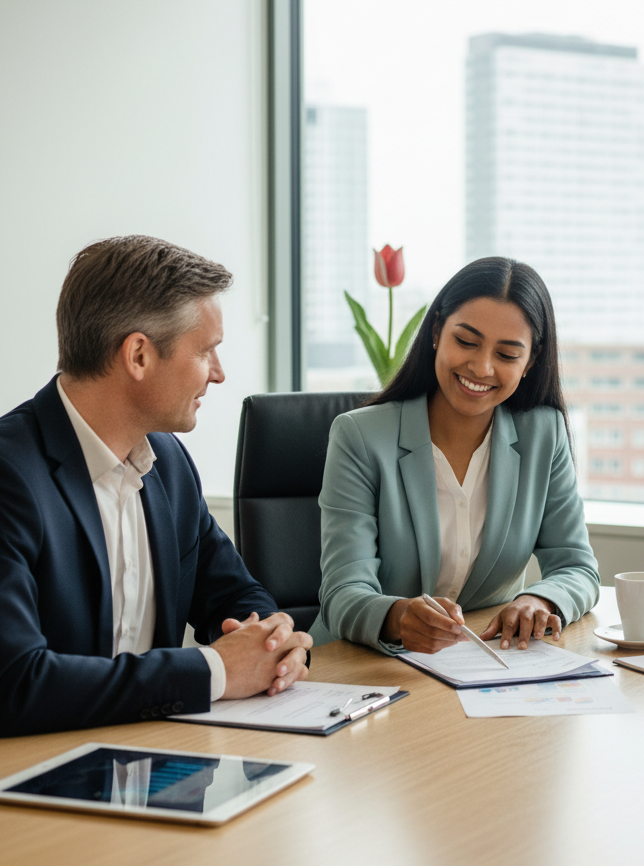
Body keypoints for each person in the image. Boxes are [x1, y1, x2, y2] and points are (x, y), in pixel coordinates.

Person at [0, 236, 312, 737]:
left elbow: (234, 593)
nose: (218, 373)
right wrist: (216, 670)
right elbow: (15, 680)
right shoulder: (11, 474)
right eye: (206, 351)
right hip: (40, 777)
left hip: (158, 759)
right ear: (139, 356)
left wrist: (274, 641)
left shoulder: (166, 460)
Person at [309, 256, 601, 655]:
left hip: (478, 664)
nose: (481, 367)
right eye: (466, 341)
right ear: (435, 332)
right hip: (362, 667)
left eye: (507, 354)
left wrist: (540, 601)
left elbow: (577, 567)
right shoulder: (360, 436)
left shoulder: (543, 434)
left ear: (530, 361)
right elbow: (342, 594)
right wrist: (397, 616)